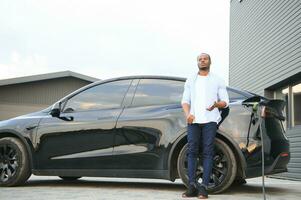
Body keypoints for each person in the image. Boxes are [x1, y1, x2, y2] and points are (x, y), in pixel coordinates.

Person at [181, 53, 229, 199]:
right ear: (197, 62)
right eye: (200, 59)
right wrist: (187, 114)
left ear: (210, 61)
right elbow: (185, 100)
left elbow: (225, 102)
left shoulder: (217, 80)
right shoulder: (191, 80)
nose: (202, 61)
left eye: (205, 59)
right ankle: (192, 186)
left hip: (210, 120)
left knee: (208, 152)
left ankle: (204, 187)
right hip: (194, 121)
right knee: (192, 151)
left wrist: (216, 104)